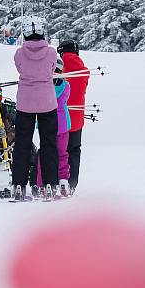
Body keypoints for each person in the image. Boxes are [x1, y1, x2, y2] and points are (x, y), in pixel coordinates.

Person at [11, 16, 59, 201]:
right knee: (49, 144)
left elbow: (20, 69)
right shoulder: (52, 53)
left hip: (25, 103)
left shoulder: (19, 53)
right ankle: (50, 184)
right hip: (47, 102)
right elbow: (52, 70)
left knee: (22, 144)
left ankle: (19, 186)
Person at [34, 58, 72, 196]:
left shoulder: (43, 87)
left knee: (44, 153)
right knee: (62, 154)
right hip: (62, 125)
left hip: (46, 124)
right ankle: (62, 181)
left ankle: (41, 184)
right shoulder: (66, 86)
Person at [57, 39, 89, 194]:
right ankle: (72, 183)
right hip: (76, 117)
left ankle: (57, 180)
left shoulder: (58, 68)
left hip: (59, 116)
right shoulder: (84, 71)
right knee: (74, 150)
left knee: (58, 149)